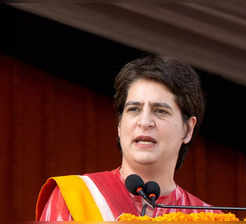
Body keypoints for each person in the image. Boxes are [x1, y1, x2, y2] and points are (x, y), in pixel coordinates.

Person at [36, 55, 218, 222]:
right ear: (119, 126)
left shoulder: (209, 218)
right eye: (134, 109)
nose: (145, 122)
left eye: (160, 111)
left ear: (187, 130)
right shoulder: (77, 197)